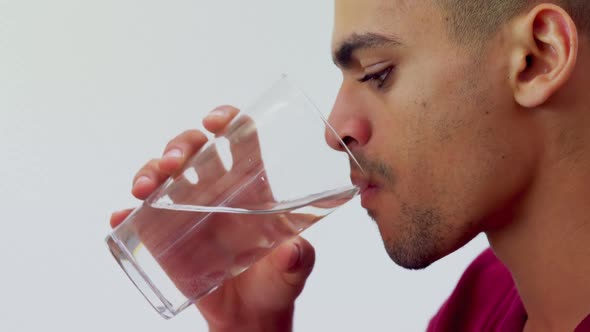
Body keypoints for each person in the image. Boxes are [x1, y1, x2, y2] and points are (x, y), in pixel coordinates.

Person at [110, 0, 590, 331]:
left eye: (378, 74)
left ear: (538, 58)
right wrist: (248, 324)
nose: (336, 127)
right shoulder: (480, 305)